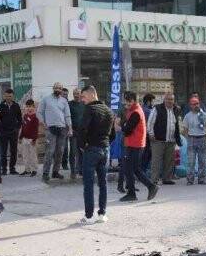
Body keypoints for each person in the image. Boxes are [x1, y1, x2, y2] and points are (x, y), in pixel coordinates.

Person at [76, 86, 115, 224]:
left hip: (91, 149)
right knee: (103, 182)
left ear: (92, 95)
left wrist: (82, 146)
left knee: (88, 183)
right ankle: (102, 214)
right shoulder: (109, 111)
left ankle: (88, 216)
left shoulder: (90, 109)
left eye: (84, 97)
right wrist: (105, 144)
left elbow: (81, 129)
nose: (82, 100)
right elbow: (113, 134)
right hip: (105, 149)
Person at [117, 91, 158, 202]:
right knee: (132, 169)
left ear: (134, 100)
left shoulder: (136, 112)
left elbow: (128, 129)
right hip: (133, 143)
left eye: (129, 100)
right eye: (126, 100)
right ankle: (137, 191)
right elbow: (127, 126)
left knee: (132, 169)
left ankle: (146, 188)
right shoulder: (132, 110)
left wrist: (120, 127)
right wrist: (124, 126)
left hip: (134, 144)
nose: (128, 103)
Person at [37, 81, 71, 183]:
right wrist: (43, 123)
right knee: (50, 152)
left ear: (61, 90)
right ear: (53, 88)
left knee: (60, 152)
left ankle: (55, 172)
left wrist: (70, 127)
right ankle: (45, 173)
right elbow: (39, 112)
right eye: (56, 88)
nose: (58, 89)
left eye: (59, 88)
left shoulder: (64, 101)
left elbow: (67, 115)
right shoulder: (46, 99)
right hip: (50, 129)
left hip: (62, 129)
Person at [147, 92, 182, 185]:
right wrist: (150, 133)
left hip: (171, 140)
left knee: (169, 161)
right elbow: (150, 122)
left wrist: (178, 138)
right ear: (164, 100)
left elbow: (177, 124)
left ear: (174, 101)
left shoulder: (176, 109)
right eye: (168, 99)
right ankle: (154, 180)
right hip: (158, 139)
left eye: (172, 99)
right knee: (156, 161)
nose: (170, 101)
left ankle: (167, 178)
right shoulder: (157, 108)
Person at [182, 96, 206, 185]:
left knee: (202, 160)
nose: (196, 105)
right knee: (191, 161)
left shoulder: (203, 115)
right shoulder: (187, 116)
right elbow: (185, 129)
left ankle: (201, 179)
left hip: (202, 138)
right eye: (194, 104)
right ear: (190, 105)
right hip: (192, 138)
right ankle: (190, 180)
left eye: (197, 103)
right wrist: (187, 138)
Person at [0, 89, 22, 175]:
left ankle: (12, 169)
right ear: (4, 96)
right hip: (3, 132)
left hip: (13, 132)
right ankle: (4, 169)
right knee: (3, 152)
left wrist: (17, 128)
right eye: (7, 96)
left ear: (13, 96)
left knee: (13, 151)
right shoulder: (0, 106)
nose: (8, 98)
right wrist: (0, 129)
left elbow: (20, 119)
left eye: (10, 96)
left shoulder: (16, 106)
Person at [17, 99, 39, 176]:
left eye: (31, 107)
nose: (29, 108)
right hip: (24, 139)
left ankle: (34, 170)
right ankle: (27, 169)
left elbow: (36, 130)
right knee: (25, 155)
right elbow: (23, 127)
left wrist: (34, 139)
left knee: (32, 155)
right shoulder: (25, 116)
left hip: (32, 139)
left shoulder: (35, 117)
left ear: (34, 107)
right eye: (27, 107)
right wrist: (20, 137)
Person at [67, 88, 85, 179]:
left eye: (78, 93)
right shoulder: (69, 104)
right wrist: (69, 129)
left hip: (82, 132)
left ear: (81, 94)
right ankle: (73, 171)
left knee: (82, 151)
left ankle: (81, 170)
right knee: (73, 152)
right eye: (74, 94)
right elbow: (67, 117)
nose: (76, 95)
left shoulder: (84, 104)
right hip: (73, 131)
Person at [141, 93, 156, 178]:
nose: (153, 103)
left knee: (143, 155)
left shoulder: (141, 109)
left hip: (142, 136)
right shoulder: (148, 111)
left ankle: (142, 171)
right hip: (148, 136)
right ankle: (143, 172)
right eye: (152, 101)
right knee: (147, 155)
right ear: (148, 102)